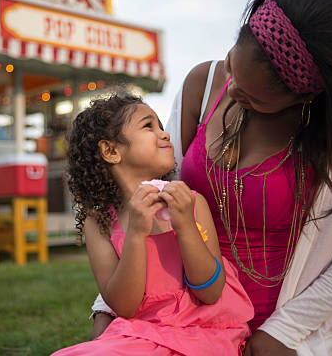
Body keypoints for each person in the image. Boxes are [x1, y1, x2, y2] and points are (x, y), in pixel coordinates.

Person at [90, 0, 332, 355]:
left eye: (252, 97)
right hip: (178, 325)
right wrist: (109, 303)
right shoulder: (202, 85)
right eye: (233, 66)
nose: (233, 90)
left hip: (283, 329)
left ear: (303, 97)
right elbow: (145, 198)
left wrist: (285, 331)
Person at [52, 93, 254, 355]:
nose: (164, 134)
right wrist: (135, 233)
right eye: (148, 126)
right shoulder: (100, 223)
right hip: (142, 334)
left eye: (161, 125)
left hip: (204, 333)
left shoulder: (192, 203)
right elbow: (125, 306)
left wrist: (185, 226)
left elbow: (211, 291)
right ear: (112, 151)